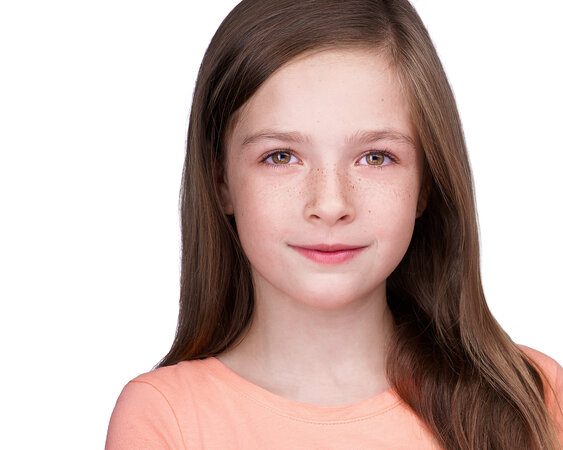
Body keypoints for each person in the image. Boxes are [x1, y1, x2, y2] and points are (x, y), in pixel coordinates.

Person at [105, 0, 563, 448]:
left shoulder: (533, 398)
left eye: (375, 157)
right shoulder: (166, 416)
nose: (330, 205)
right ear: (221, 180)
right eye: (280, 156)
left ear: (425, 183)